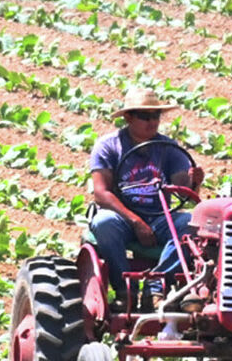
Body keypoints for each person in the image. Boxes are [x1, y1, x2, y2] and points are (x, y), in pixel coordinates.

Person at [88, 91, 207, 303]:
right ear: (129, 118)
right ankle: (125, 290)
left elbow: (183, 191)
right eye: (145, 116)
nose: (152, 122)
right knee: (103, 222)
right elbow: (101, 193)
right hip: (122, 217)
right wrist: (136, 222)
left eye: (156, 116)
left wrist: (194, 182)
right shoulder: (109, 146)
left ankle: (156, 286)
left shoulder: (168, 148)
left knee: (192, 225)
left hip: (160, 217)